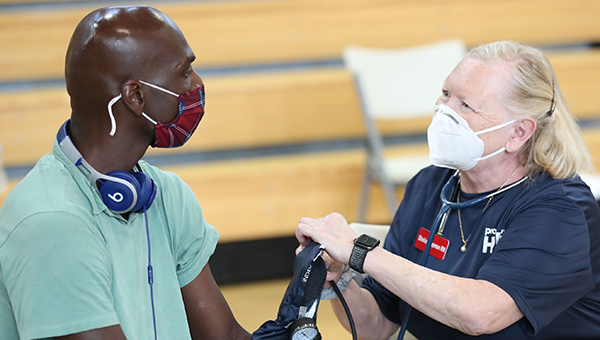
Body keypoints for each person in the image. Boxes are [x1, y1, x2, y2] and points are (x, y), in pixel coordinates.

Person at [296, 41, 600, 339]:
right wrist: (339, 278)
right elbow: (374, 327)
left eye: (465, 105)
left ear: (518, 132)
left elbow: (481, 314)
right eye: (445, 94)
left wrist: (361, 254)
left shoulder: (561, 210)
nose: (443, 110)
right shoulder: (430, 185)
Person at [0, 6, 252, 340]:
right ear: (135, 96)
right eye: (185, 73)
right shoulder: (51, 221)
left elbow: (224, 336)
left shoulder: (167, 195)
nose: (197, 85)